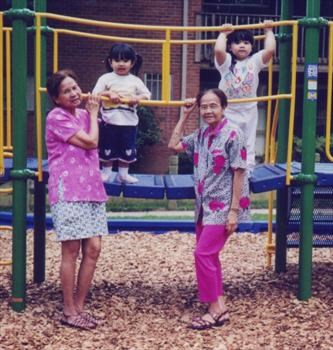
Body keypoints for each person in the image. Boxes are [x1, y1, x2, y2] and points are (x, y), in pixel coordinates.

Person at [168, 89, 250, 330]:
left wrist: (233, 212)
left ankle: (216, 309)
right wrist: (185, 115)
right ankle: (219, 305)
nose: (208, 111)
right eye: (204, 107)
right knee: (210, 256)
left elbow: (239, 173)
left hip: (223, 207)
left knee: (202, 254)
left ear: (223, 107)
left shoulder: (233, 134)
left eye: (213, 106)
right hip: (204, 206)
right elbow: (173, 146)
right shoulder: (202, 133)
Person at [46, 69, 109, 330]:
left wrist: (124, 96)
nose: (74, 93)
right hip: (68, 190)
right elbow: (91, 142)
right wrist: (94, 113)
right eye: (66, 91)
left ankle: (80, 307)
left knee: (93, 248)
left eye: (75, 87)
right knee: (71, 250)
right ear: (56, 98)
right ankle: (68, 310)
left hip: (91, 188)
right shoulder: (56, 117)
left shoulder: (83, 114)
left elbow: (110, 98)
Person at [214, 21, 276, 172]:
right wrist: (223, 34)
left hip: (249, 107)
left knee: (248, 139)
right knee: (226, 136)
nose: (242, 45)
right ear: (230, 47)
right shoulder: (227, 61)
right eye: (237, 43)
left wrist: (268, 31)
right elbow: (218, 51)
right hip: (228, 108)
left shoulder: (254, 61)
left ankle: (247, 169)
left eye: (246, 42)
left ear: (252, 47)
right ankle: (223, 166)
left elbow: (270, 50)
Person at [93, 43, 151, 184]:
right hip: (109, 121)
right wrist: (108, 93)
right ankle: (106, 173)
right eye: (117, 60)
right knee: (108, 148)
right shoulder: (105, 78)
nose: (121, 64)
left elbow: (147, 94)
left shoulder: (135, 80)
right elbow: (96, 94)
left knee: (127, 148)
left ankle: (123, 174)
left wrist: (137, 98)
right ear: (110, 62)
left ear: (132, 63)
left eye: (125, 61)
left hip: (128, 122)